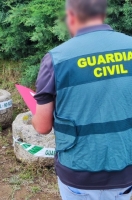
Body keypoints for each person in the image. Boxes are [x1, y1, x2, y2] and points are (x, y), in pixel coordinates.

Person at [32, 0, 132, 199]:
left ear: (71, 16)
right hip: (125, 169)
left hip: (78, 172)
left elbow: (42, 126)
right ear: (103, 14)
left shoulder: (56, 59)